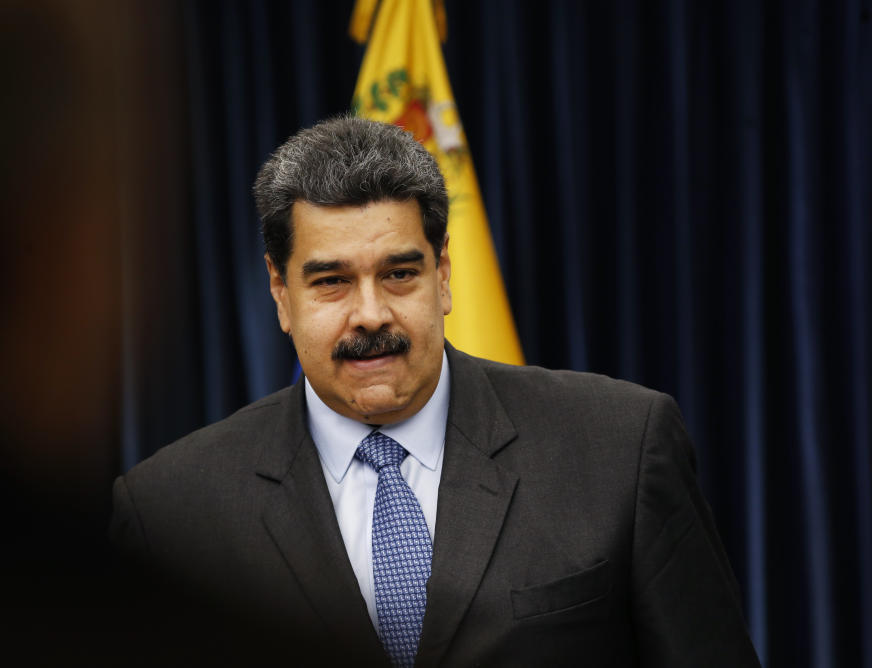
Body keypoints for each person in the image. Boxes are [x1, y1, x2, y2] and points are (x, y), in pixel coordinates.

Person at [110, 116, 761, 667]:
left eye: (399, 273)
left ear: (444, 276)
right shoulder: (171, 513)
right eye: (331, 282)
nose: (370, 315)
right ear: (281, 294)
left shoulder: (619, 447)